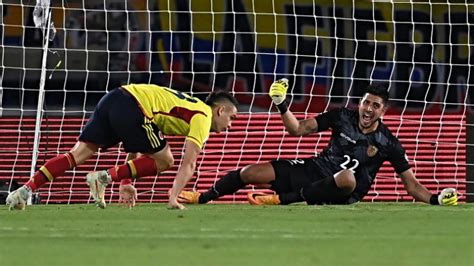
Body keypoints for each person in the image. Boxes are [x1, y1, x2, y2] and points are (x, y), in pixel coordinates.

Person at [177, 79, 459, 206]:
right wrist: (281, 104)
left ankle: (280, 200)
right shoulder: (341, 117)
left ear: (383, 111)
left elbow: (411, 185)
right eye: (365, 103)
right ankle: (202, 197)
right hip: (315, 169)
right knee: (251, 172)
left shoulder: (389, 143)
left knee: (348, 177)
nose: (368, 109)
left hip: (343, 191)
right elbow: (297, 130)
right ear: (359, 104)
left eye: (375, 106)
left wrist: (435, 199)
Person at [6, 84, 238, 210]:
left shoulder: (187, 105)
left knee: (77, 154)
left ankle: (24, 190)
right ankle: (102, 178)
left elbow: (137, 140)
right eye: (231, 118)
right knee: (166, 159)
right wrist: (173, 197)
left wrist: (126, 182)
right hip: (133, 106)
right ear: (220, 110)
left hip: (115, 98)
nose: (229, 126)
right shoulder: (203, 117)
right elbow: (189, 162)